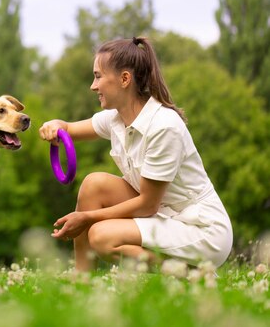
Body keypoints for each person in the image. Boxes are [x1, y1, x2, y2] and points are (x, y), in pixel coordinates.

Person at [39, 37, 233, 271]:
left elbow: (148, 205)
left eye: (98, 76)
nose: (93, 86)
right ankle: (81, 282)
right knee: (93, 185)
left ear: (124, 79)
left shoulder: (164, 126)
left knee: (102, 236)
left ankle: (190, 274)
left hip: (200, 229)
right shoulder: (116, 118)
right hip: (163, 212)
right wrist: (54, 124)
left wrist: (88, 218)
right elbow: (68, 129)